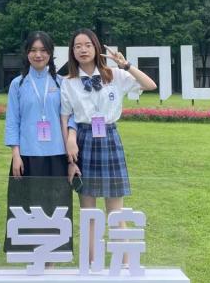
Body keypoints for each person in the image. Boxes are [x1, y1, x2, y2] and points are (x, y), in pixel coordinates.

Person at [60, 29, 157, 264]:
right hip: (83, 141)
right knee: (89, 213)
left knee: (116, 212)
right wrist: (70, 156)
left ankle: (125, 265)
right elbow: (65, 118)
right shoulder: (68, 82)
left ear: (96, 47)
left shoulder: (115, 75)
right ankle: (92, 265)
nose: (83, 50)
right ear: (72, 52)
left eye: (87, 45)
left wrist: (126, 65)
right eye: (77, 46)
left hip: (110, 139)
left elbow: (150, 85)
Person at [4, 31, 72, 254]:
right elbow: (12, 120)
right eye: (33, 50)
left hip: (57, 156)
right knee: (27, 207)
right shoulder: (18, 84)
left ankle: (52, 258)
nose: (38, 55)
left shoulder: (61, 83)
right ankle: (30, 256)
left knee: (55, 207)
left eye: (43, 50)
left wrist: (71, 154)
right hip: (27, 156)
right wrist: (15, 154)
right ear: (27, 53)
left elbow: (70, 118)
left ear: (51, 53)